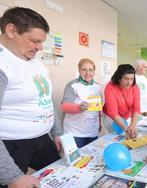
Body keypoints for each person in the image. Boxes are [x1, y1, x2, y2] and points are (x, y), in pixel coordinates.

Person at [0, 7, 62, 187]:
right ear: (11, 31)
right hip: (11, 145)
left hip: (42, 140)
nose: (40, 47)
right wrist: (12, 177)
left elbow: (46, 99)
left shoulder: (36, 61)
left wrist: (57, 132)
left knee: (59, 177)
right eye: (35, 41)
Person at [61, 58, 102, 148]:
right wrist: (79, 108)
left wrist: (99, 123)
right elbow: (64, 107)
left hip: (92, 131)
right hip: (75, 132)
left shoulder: (98, 87)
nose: (88, 73)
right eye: (84, 70)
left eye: (91, 70)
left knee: (91, 157)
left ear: (94, 71)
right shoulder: (73, 85)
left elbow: (98, 109)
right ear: (79, 70)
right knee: (78, 161)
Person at [103, 64, 140, 139]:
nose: (129, 82)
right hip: (111, 119)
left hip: (126, 117)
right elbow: (113, 113)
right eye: (126, 79)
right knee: (115, 139)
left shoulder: (134, 87)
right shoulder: (110, 87)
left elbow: (136, 109)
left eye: (132, 79)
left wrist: (132, 126)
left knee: (129, 137)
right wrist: (126, 129)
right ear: (119, 78)